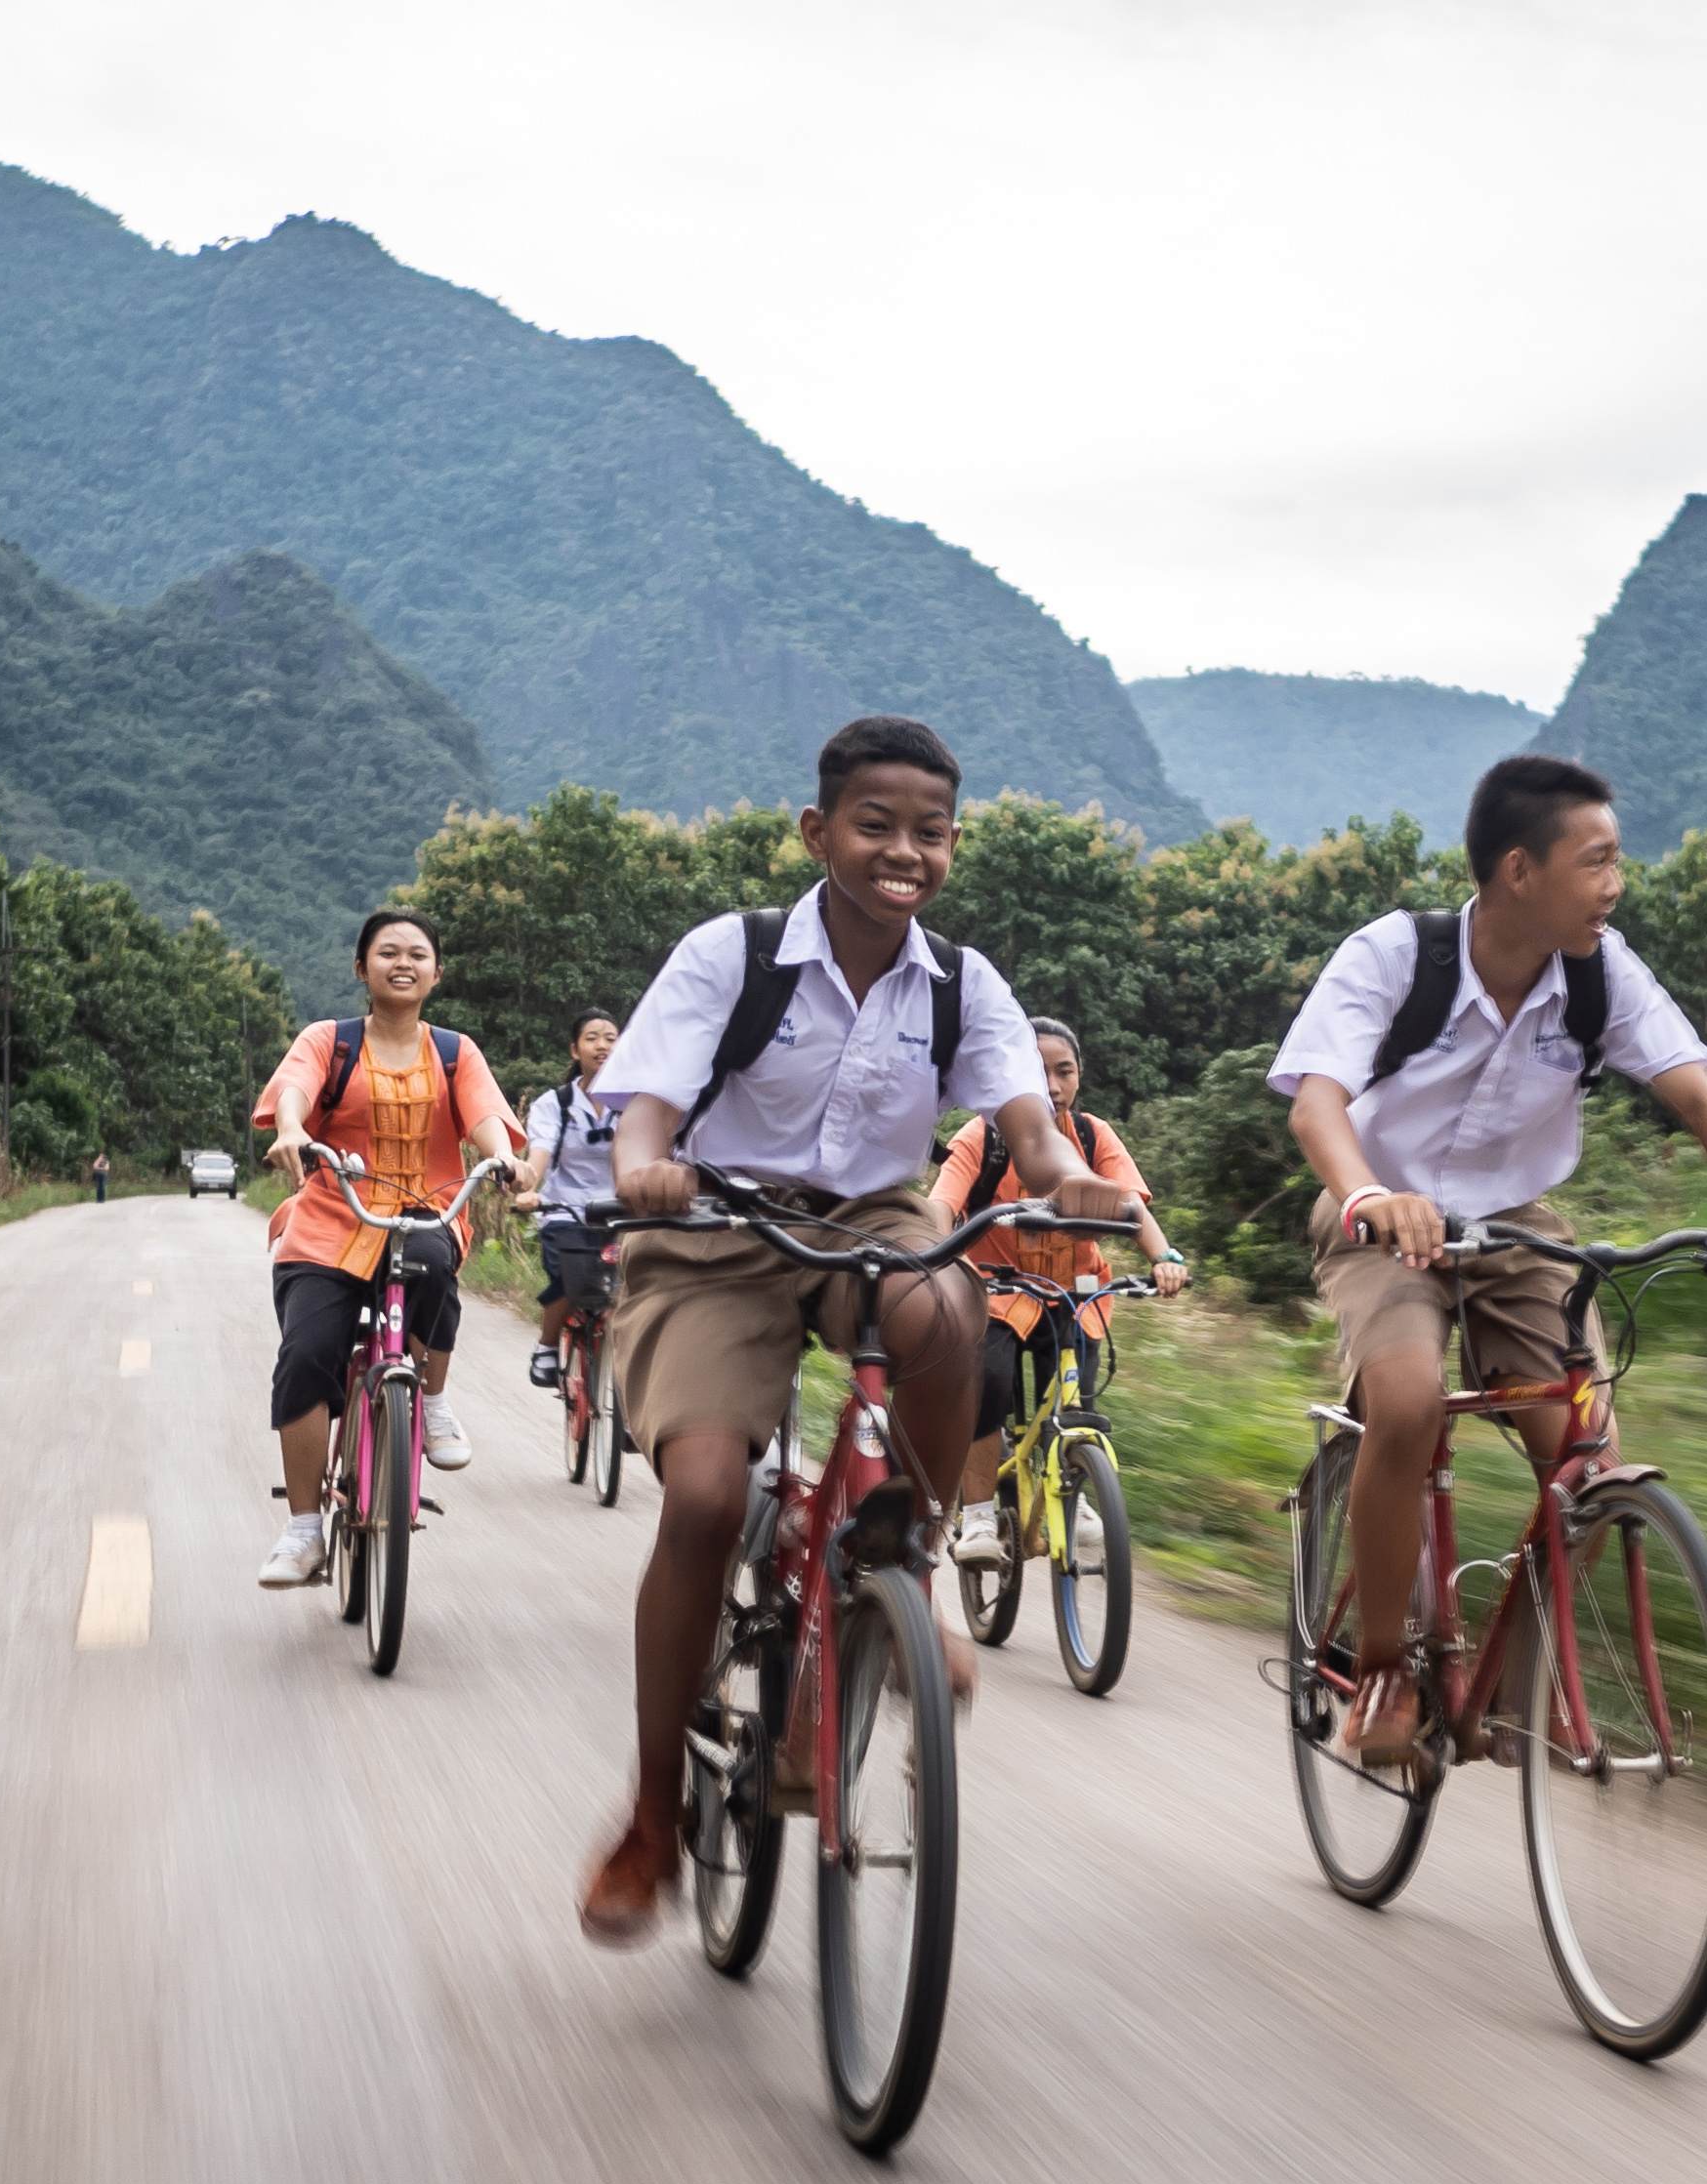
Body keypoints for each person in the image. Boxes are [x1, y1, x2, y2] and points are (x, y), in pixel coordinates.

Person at [577, 714, 1136, 1944]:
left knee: (940, 1306)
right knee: (708, 1497)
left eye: (928, 832)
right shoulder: (735, 954)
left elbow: (1027, 1127)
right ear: (815, 831)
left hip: (867, 1218)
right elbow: (647, 1106)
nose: (903, 851)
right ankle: (654, 1816)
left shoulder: (963, 982)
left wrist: (1066, 1176)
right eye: (874, 825)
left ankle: (908, 1557)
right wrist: (645, 1163)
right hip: (714, 1221)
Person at [1270, 753, 1707, 1765]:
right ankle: (1385, 1669)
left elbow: (1695, 1089)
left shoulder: (1600, 971)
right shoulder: (1397, 955)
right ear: (1519, 870)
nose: (1615, 883)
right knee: (1403, 1402)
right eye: (1596, 860)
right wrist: (1370, 1197)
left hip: (1517, 1229)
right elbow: (1317, 1103)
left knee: (1588, 1458)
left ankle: (1503, 1681)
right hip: (1379, 1218)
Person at [250, 909, 523, 1588]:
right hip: (330, 1220)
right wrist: (290, 1130)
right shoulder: (328, 1041)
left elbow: (486, 1117)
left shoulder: (455, 1052)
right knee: (307, 1355)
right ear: (361, 967)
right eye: (387, 952)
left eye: (418, 954)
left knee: (433, 1265)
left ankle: (430, 1400)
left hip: (426, 1209)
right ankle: (304, 1529)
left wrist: (501, 1160)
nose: (403, 963)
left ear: (436, 971)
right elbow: (295, 1093)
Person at [927, 1016, 1189, 1568]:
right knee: (990, 1385)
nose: (1051, 1085)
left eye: (1063, 1071)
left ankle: (1075, 1494)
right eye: (1036, 1071)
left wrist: (1163, 1258)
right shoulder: (983, 1134)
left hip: (1076, 1293)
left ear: (1079, 1076)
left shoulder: (1094, 1137)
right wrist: (927, 1247)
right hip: (995, 1291)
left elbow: (1131, 1205)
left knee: (1075, 1397)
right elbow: (942, 1204)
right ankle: (976, 1516)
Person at [516, 1009, 623, 1390]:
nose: (603, 1045)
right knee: (569, 1277)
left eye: (611, 1037)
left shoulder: (635, 1103)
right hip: (565, 1210)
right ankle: (546, 1347)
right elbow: (539, 1155)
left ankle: (631, 1387)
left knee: (639, 1287)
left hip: (622, 1212)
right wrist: (529, 1186)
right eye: (593, 1037)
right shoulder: (554, 1104)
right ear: (575, 1050)